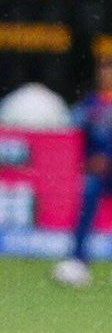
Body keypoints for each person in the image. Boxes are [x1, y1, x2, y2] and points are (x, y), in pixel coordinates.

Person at [52, 55, 112, 287]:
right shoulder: (91, 104)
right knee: (87, 201)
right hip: (96, 172)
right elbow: (70, 124)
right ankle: (77, 259)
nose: (106, 75)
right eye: (103, 70)